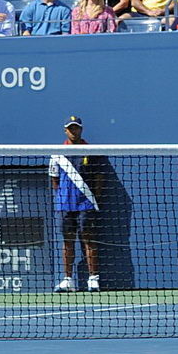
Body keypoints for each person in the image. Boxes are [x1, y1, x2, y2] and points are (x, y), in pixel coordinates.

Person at [51, 116, 103, 292]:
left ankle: (93, 279)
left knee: (89, 241)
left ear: (81, 129)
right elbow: (54, 179)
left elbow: (98, 177)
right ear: (65, 130)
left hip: (85, 205)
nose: (74, 131)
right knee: (67, 242)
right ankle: (68, 280)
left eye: (76, 128)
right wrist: (63, 197)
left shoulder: (90, 151)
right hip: (65, 205)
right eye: (70, 128)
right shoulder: (57, 152)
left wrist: (92, 198)